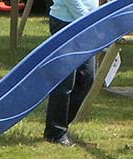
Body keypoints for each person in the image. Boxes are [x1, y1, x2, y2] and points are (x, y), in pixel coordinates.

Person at [43, 0, 98, 146]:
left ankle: (61, 124)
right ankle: (55, 132)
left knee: (87, 77)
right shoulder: (85, 19)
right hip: (65, 23)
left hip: (86, 22)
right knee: (65, 81)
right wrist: (89, 19)